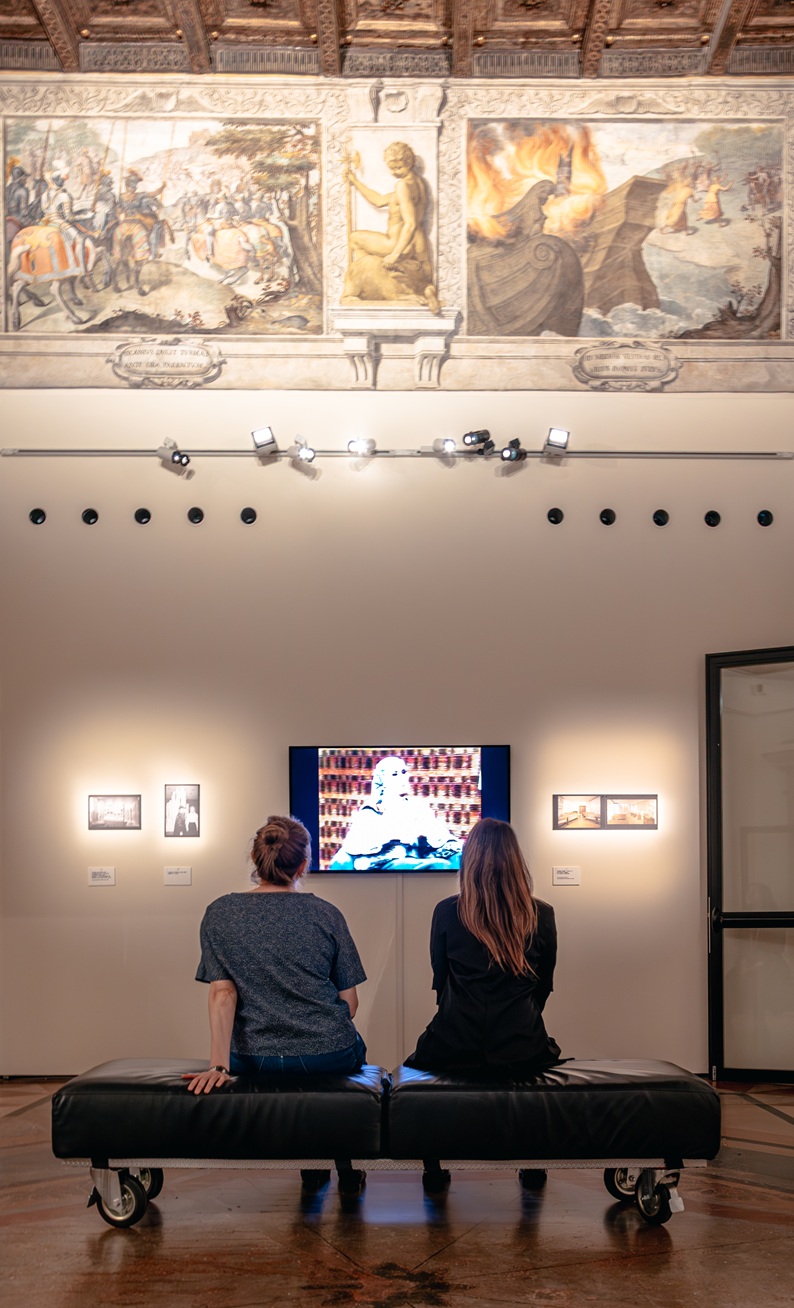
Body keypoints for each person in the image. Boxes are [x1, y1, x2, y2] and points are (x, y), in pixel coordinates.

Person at [184, 815, 368, 1191]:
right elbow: (349, 1004)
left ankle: (314, 1164)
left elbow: (223, 993)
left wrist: (219, 1065)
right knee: (353, 1052)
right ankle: (344, 1167)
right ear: (304, 865)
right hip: (326, 1052)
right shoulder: (325, 913)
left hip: (253, 1058)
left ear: (255, 860)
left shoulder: (219, 913)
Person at [405, 817, 560, 1189]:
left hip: (455, 1040)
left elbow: (440, 985)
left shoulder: (447, 911)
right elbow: (544, 988)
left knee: (413, 1071)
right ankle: (533, 1163)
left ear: (469, 859)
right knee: (545, 1058)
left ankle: (435, 1168)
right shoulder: (542, 914)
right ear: (516, 859)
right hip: (522, 1044)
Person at [343, 141, 440, 312]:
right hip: (417, 241)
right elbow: (379, 200)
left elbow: (410, 223)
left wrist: (395, 255)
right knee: (425, 280)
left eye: (398, 168)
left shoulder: (402, 185)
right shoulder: (417, 183)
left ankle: (368, 283)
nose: (395, 172)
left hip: (396, 242)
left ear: (409, 163)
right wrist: (355, 182)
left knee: (354, 238)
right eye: (392, 168)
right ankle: (428, 291)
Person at [329, 755, 463, 871]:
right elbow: (354, 846)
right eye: (394, 774)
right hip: (389, 860)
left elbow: (440, 837)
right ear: (383, 780)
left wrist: (425, 838)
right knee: (438, 866)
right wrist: (394, 838)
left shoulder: (418, 807)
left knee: (457, 859)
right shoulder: (372, 810)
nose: (402, 778)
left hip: (418, 857)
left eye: (404, 772)